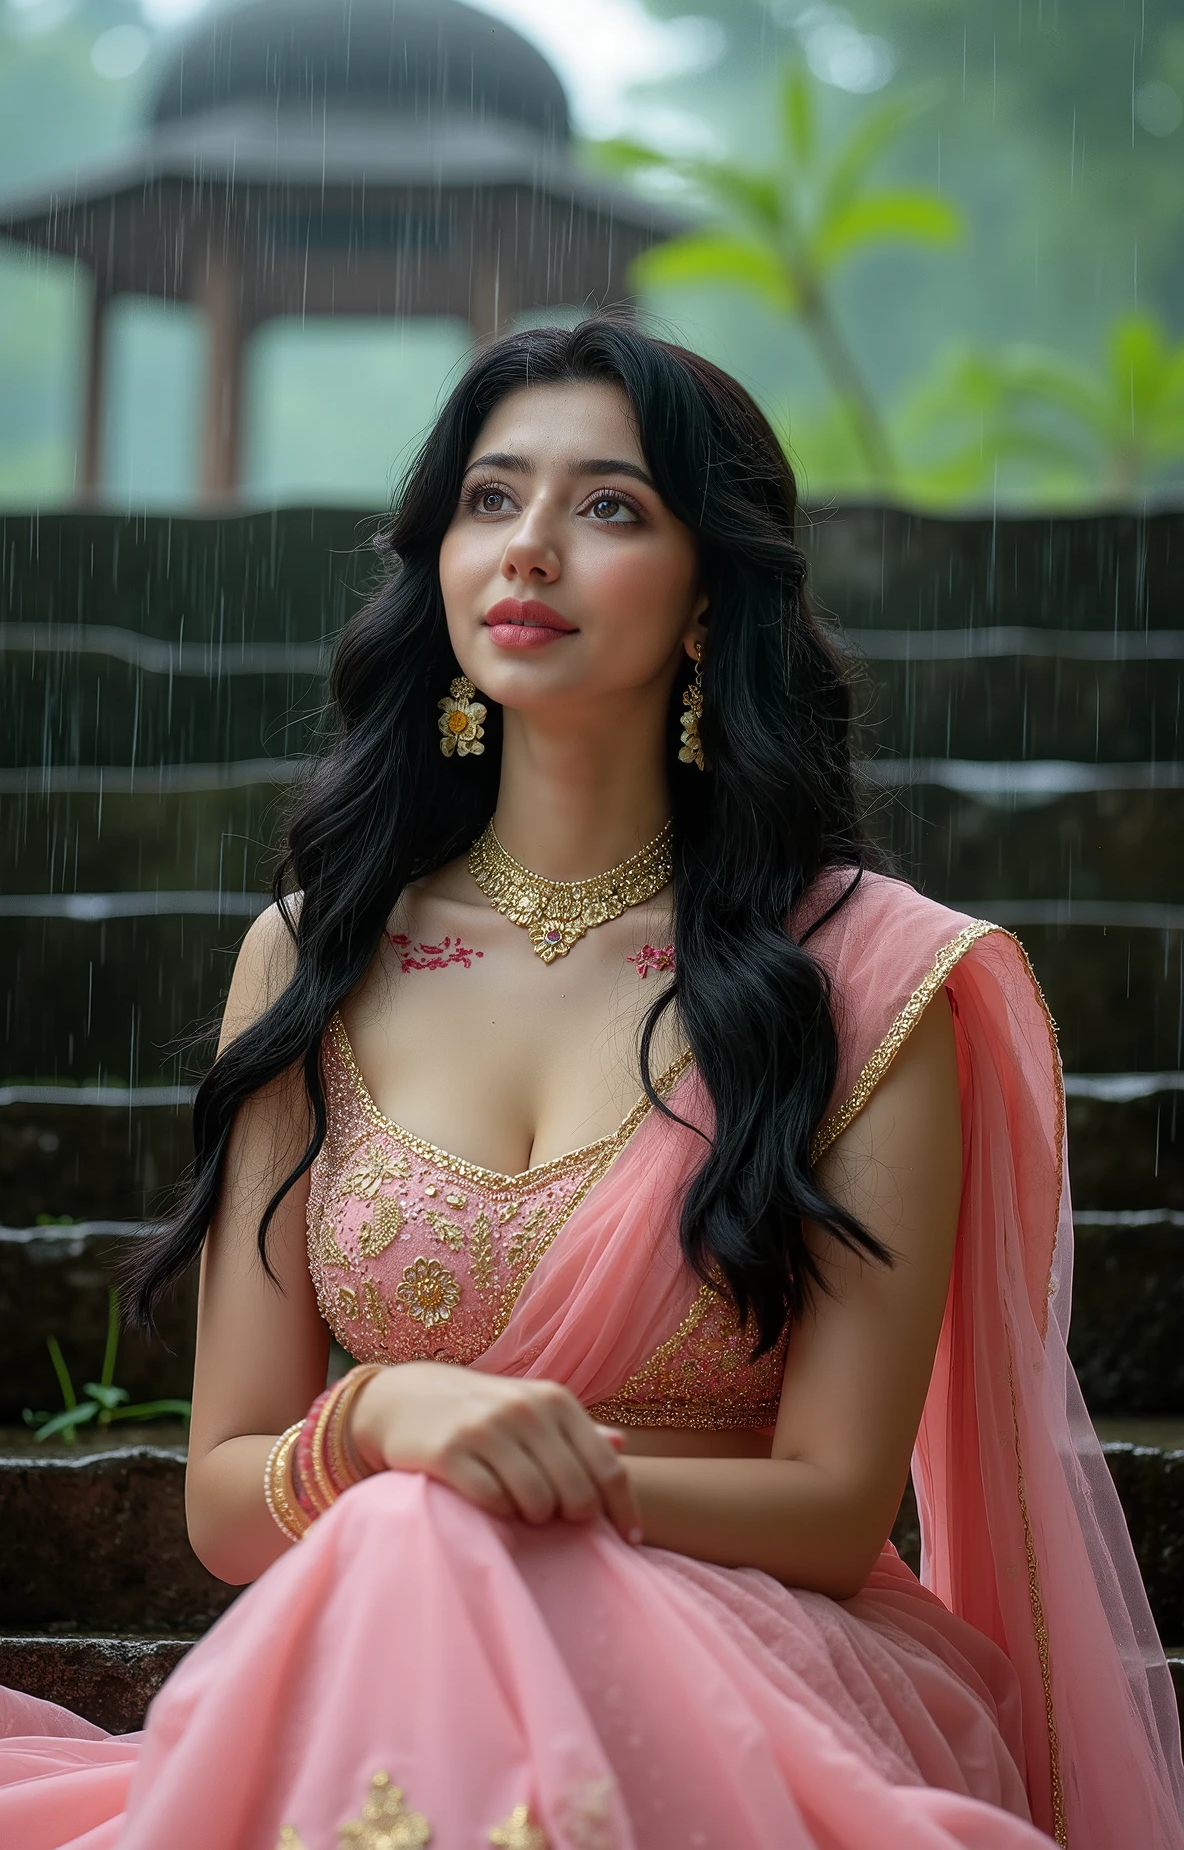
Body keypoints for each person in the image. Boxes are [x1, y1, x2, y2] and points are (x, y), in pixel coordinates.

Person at [1, 321, 1180, 1850]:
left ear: (709, 597)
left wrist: (492, 1486)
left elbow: (833, 1509)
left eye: (609, 508)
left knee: (424, 1540)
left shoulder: (870, 978)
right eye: (492, 500)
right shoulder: (311, 958)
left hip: (746, 1652)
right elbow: (227, 1502)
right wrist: (388, 1422)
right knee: (413, 1548)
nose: (531, 550)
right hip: (383, 1643)